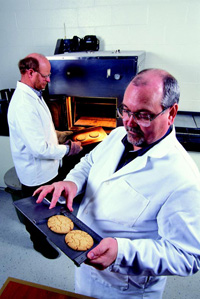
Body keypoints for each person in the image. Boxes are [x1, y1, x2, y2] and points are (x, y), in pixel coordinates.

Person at [34, 69, 200, 298]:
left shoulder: (182, 178)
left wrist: (122, 253)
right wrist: (72, 182)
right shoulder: (117, 135)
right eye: (126, 110)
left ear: (171, 113)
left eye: (143, 115)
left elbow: (187, 256)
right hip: (87, 270)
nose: (129, 122)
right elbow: (90, 162)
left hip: (124, 286)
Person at [8, 53, 83, 259]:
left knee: (51, 207)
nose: (49, 80)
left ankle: (53, 232)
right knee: (36, 214)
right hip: (36, 174)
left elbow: (40, 133)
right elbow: (39, 149)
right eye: (45, 75)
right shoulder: (23, 105)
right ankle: (39, 243)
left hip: (50, 169)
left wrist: (58, 136)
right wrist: (69, 149)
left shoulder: (34, 95)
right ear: (30, 72)